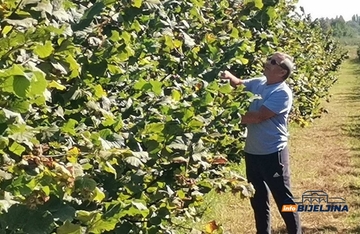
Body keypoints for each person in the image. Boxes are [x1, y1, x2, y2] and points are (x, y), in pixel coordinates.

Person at [221, 52, 301, 234]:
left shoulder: (282, 93)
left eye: (272, 61)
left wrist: (224, 116)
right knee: (257, 198)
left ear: (281, 72)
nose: (267, 62)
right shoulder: (259, 82)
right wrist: (225, 74)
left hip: (273, 153)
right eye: (268, 58)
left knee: (283, 198)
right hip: (253, 152)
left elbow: (258, 117)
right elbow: (239, 83)